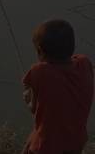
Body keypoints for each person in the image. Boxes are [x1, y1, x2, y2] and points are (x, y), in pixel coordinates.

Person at [22, 19, 94, 154]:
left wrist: (28, 100)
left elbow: (33, 107)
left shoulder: (39, 71)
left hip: (47, 147)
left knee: (35, 142)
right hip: (76, 142)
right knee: (32, 138)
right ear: (72, 45)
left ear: (39, 50)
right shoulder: (85, 63)